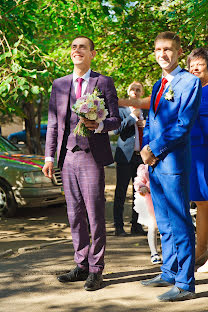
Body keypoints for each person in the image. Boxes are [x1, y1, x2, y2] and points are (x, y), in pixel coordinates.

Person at [42, 36, 121, 291]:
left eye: (82, 47)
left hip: (91, 156)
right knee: (74, 215)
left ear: (92, 54)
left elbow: (116, 119)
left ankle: (97, 269)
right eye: (74, 46)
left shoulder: (104, 82)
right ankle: (81, 265)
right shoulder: (59, 84)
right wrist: (49, 157)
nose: (77, 50)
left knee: (95, 214)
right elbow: (53, 124)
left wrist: (99, 125)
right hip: (68, 158)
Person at [139, 31, 202, 302]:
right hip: (154, 164)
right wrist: (146, 150)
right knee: (163, 222)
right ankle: (168, 271)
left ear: (177, 53)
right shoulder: (157, 84)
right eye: (158, 50)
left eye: (168, 49)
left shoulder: (189, 82)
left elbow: (183, 126)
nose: (162, 54)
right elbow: (152, 122)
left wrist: (154, 149)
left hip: (174, 163)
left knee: (180, 222)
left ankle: (185, 283)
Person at [113, 81, 146, 236]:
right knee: (121, 192)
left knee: (139, 193)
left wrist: (146, 124)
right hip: (125, 157)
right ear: (128, 92)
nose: (135, 91)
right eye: (132, 89)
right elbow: (116, 130)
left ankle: (136, 225)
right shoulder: (121, 110)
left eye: (138, 89)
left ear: (142, 93)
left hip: (142, 158)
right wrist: (133, 117)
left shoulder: (146, 110)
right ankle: (118, 227)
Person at [187, 47, 208, 273]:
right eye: (191, 65)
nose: (194, 68)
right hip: (193, 152)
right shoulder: (188, 91)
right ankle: (200, 252)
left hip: (206, 151)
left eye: (199, 65)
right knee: (201, 202)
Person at [134, 164, 162, 264]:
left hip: (165, 199)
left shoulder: (164, 164)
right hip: (151, 200)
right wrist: (141, 187)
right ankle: (154, 252)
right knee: (152, 226)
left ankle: (166, 250)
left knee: (165, 227)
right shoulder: (144, 167)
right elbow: (139, 180)